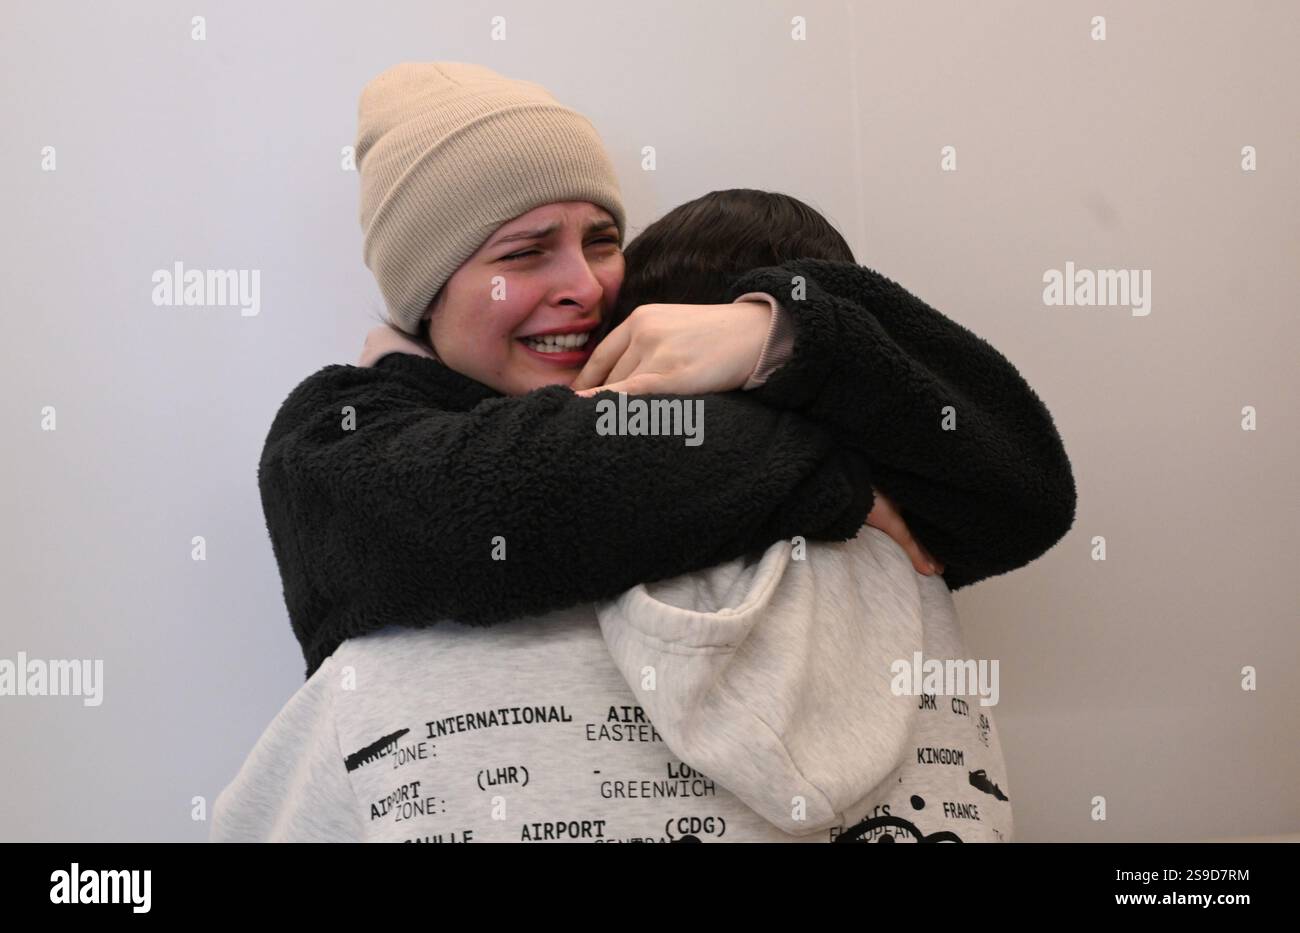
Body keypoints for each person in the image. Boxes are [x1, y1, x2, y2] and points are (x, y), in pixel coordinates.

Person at [210, 63, 1074, 842]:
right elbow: (513, 490)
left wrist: (774, 333)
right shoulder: (334, 437)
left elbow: (1025, 487)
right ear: (426, 294)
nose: (585, 288)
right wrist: (836, 469)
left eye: (601, 240)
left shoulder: (697, 377)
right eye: (525, 252)